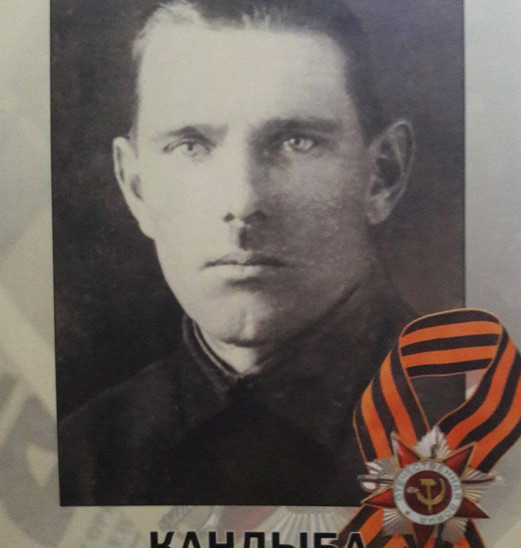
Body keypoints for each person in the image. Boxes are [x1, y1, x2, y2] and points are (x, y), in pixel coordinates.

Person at [58, 0, 462, 506]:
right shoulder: (76, 457)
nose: (243, 202)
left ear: (382, 174)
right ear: (136, 187)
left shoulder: (482, 423)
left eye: (296, 142)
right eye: (191, 146)